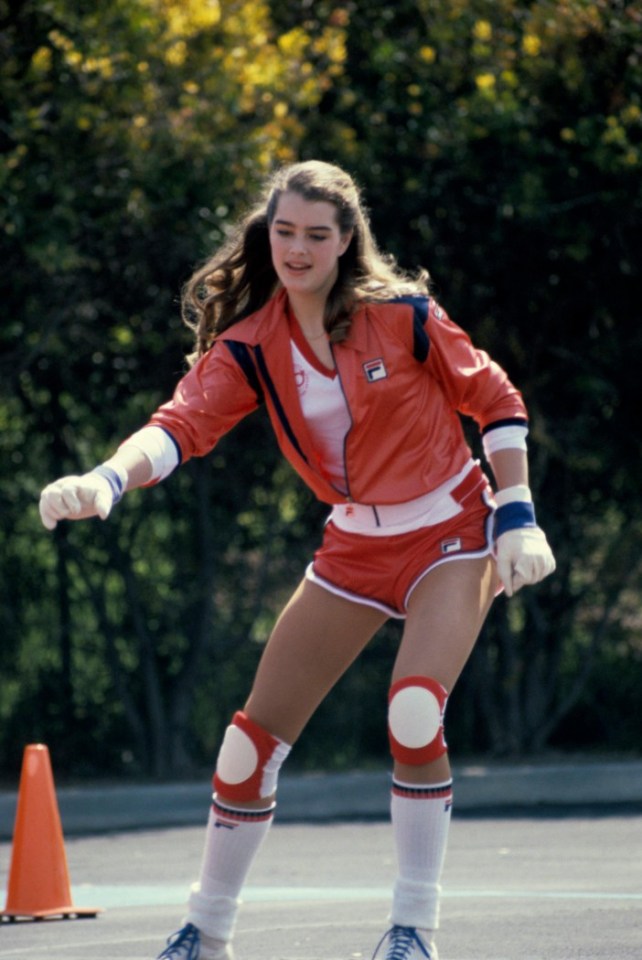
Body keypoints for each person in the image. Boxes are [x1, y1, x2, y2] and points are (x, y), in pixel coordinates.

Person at [39, 159, 555, 960]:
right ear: (267, 234)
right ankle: (205, 931)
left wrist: (517, 516)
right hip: (352, 544)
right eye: (284, 232)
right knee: (248, 746)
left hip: (450, 532)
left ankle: (414, 931)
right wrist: (105, 479)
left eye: (317, 234)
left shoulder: (404, 316)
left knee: (414, 712)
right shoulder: (253, 344)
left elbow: (496, 401)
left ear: (347, 241)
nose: (298, 249)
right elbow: (180, 424)